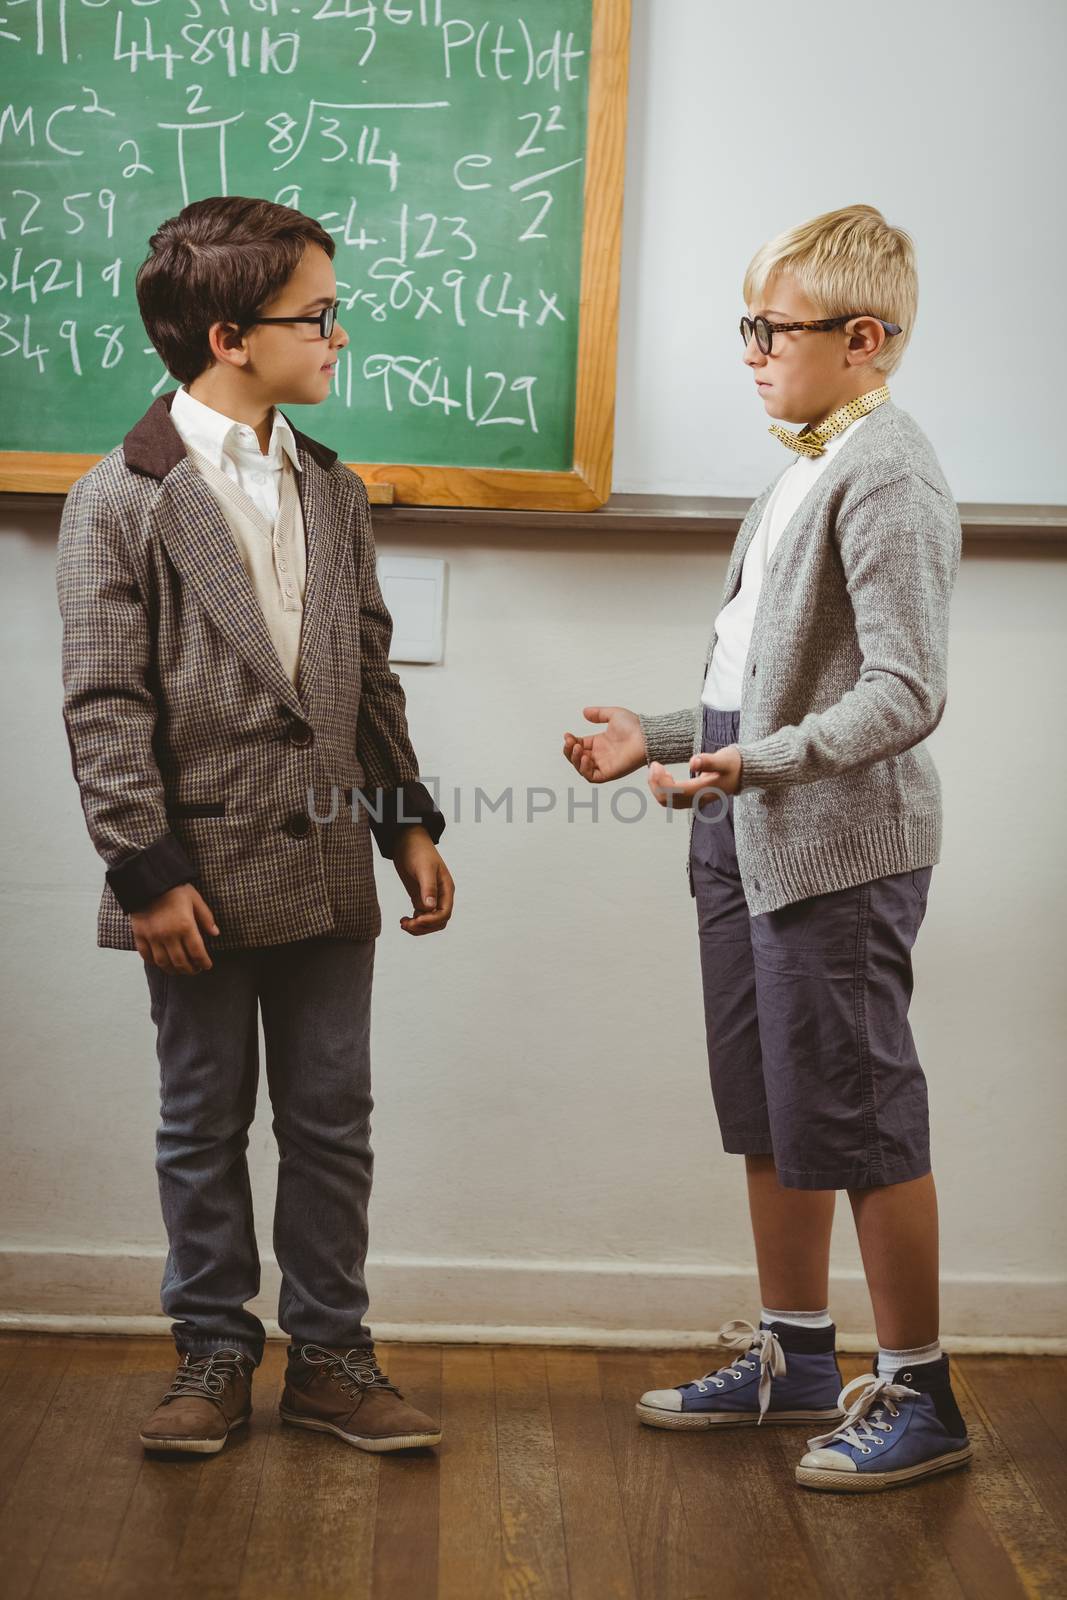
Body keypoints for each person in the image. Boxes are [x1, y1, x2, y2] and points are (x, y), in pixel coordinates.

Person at [562, 204, 971, 1492]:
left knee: (857, 1118)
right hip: (746, 827)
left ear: (860, 339)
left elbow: (904, 693)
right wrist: (668, 734)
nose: (747, 351)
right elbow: (768, 687)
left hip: (833, 850)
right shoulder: (799, 461)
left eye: (768, 329)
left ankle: (920, 1392)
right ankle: (797, 1356)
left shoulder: (886, 469)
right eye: (746, 323)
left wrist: (756, 764)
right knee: (772, 1108)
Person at [56, 196, 455, 1457]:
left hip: (332, 859)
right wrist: (146, 872)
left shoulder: (332, 492)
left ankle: (330, 1353)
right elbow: (104, 703)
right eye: (318, 315)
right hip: (198, 881)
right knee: (201, 1119)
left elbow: (368, 675)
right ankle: (213, 1353)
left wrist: (407, 825)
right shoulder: (119, 498)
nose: (339, 333)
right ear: (232, 335)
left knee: (334, 1119)